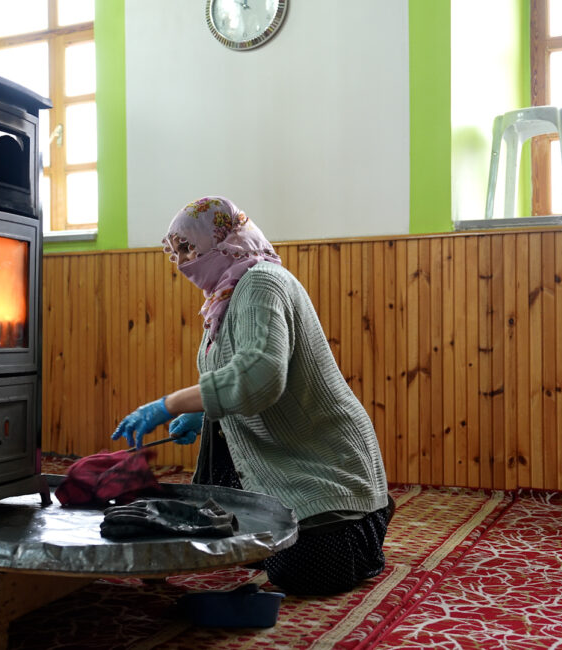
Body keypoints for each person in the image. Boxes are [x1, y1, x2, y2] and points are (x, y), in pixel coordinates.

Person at [111, 196, 392, 596]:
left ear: (224, 238)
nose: (182, 261)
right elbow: (228, 370)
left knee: (305, 574)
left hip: (323, 469)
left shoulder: (261, 282)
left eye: (189, 248)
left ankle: (359, 526)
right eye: (176, 252)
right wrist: (203, 415)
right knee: (213, 535)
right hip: (272, 460)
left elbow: (260, 377)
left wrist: (168, 404)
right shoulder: (223, 298)